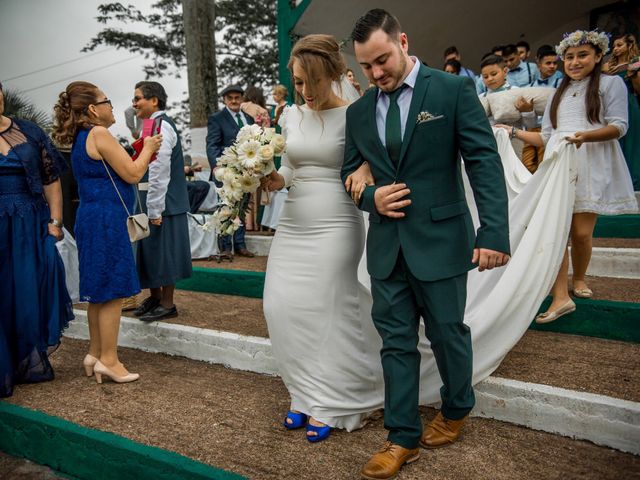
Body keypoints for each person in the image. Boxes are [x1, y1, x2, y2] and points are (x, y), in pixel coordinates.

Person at [342, 9, 510, 479]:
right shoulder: (358, 112)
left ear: (403, 42)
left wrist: (493, 232)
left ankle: (457, 407)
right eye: (366, 67)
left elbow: (482, 162)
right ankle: (401, 437)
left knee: (446, 332)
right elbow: (349, 175)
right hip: (386, 247)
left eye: (383, 60)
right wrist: (372, 196)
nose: (377, 74)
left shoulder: (452, 90)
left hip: (442, 239)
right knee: (395, 342)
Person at [261, 34, 375, 443]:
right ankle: (303, 393)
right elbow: (289, 168)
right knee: (280, 306)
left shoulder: (358, 114)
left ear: (335, 75)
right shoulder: (291, 115)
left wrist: (366, 170)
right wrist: (272, 177)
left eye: (313, 82)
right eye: (298, 83)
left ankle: (332, 401)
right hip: (292, 224)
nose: (306, 92)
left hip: (337, 224)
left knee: (327, 311)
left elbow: (377, 162)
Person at [505, 30, 637, 323]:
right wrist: (512, 132)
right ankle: (560, 293)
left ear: (598, 56)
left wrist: (584, 137)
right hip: (559, 163)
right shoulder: (558, 93)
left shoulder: (610, 83)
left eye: (582, 55)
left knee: (581, 233)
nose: (574, 62)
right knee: (557, 230)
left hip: (591, 162)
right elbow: (548, 138)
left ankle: (579, 277)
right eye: (570, 57)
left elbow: (619, 126)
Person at [52, 81, 161, 384]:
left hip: (90, 217)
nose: (112, 106)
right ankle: (110, 361)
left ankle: (95, 354)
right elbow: (134, 173)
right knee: (112, 291)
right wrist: (149, 148)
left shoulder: (81, 137)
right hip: (108, 220)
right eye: (107, 101)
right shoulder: (100, 134)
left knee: (98, 293)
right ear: (92, 109)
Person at [0, 81, 74, 398]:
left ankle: (25, 361)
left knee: (29, 288)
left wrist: (55, 223)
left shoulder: (28, 131)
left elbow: (51, 179)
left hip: (31, 223)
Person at [131, 81, 192, 322]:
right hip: (147, 199)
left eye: (138, 98)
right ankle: (155, 297)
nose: (134, 103)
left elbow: (159, 168)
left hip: (164, 202)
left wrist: (154, 207)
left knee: (165, 252)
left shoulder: (162, 125)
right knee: (149, 251)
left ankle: (167, 303)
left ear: (154, 100)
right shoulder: (148, 125)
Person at [206, 84, 255, 258]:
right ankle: (225, 246)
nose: (234, 101)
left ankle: (240, 245)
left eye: (237, 97)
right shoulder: (217, 118)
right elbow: (212, 145)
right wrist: (217, 167)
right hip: (225, 171)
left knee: (242, 207)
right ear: (224, 100)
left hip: (246, 172)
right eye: (230, 98)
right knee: (226, 208)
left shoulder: (249, 119)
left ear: (242, 98)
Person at [604, 33, 640, 190]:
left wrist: (634, 75)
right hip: (609, 106)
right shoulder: (608, 66)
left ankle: (633, 182)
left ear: (629, 46)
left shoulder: (636, 63)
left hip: (629, 105)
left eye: (619, 45)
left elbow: (638, 90)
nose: (615, 49)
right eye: (614, 46)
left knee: (631, 142)